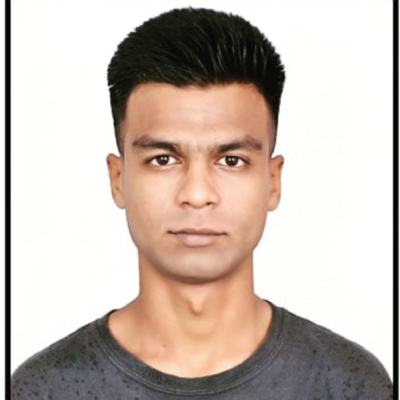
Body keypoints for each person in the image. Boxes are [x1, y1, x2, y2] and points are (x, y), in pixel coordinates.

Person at [11, 7, 392, 399]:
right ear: (118, 178)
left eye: (232, 160)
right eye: (163, 159)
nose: (196, 194)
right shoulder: (45, 388)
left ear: (273, 181)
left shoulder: (347, 383)